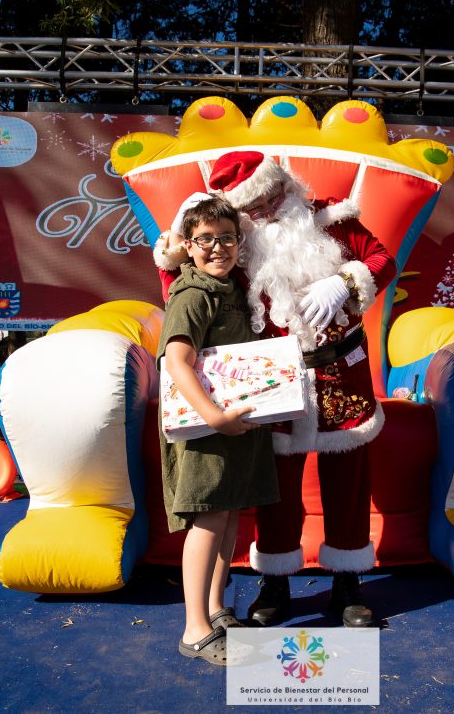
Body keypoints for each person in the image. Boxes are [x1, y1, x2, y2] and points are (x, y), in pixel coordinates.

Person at [156, 151, 396, 626]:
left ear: (287, 185)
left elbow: (382, 259)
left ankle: (348, 581)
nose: (267, 210)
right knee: (276, 486)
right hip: (273, 380)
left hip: (341, 374)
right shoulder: (236, 245)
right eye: (255, 206)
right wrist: (172, 256)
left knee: (348, 480)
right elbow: (181, 285)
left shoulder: (333, 220)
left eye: (272, 197)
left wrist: (345, 281)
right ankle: (276, 580)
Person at [157, 195, 278, 665]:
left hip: (233, 429)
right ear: (187, 246)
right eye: (205, 239)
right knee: (208, 520)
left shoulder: (232, 290)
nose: (217, 247)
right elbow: (177, 361)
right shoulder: (192, 295)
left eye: (227, 238)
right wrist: (214, 418)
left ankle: (215, 609)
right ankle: (194, 630)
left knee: (226, 518)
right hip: (207, 432)